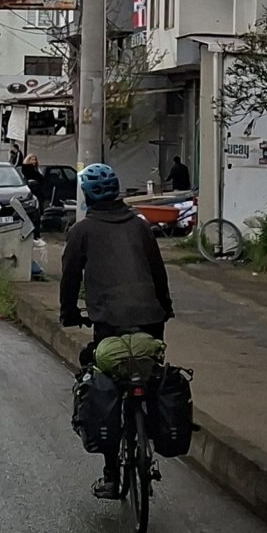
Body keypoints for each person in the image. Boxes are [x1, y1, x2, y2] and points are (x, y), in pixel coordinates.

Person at [58, 161, 173, 501]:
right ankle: (150, 432)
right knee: (149, 375)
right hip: (151, 319)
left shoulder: (82, 231)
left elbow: (70, 278)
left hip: (108, 322)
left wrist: (68, 314)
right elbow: (158, 272)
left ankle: (111, 473)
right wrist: (164, 307)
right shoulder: (140, 226)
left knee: (106, 387)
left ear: (87, 195)